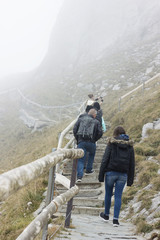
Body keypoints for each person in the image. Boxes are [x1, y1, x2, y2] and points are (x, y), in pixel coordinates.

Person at [98, 126, 135, 227]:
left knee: (108, 194)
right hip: (123, 174)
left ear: (115, 134)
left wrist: (101, 175)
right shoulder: (130, 146)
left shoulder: (111, 143)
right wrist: (130, 180)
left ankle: (106, 215)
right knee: (118, 196)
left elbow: (105, 159)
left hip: (110, 173)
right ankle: (115, 220)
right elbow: (132, 164)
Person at [73, 108, 103, 182]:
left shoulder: (80, 119)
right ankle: (89, 169)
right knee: (91, 155)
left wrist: (78, 139)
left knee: (80, 159)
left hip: (81, 142)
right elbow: (100, 133)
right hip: (91, 142)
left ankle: (79, 177)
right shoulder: (96, 121)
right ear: (94, 115)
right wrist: (94, 140)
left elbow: (74, 129)